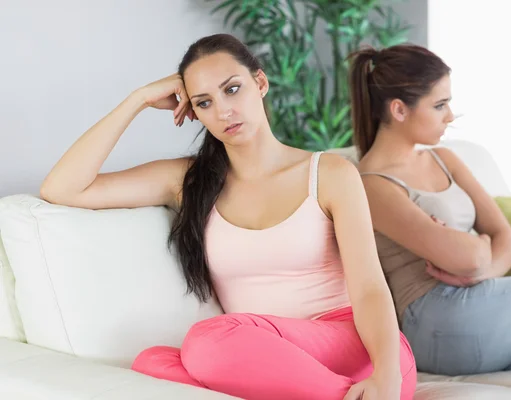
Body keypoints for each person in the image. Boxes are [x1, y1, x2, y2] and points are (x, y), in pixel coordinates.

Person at [40, 34, 417, 400]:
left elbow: (369, 289)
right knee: (152, 362)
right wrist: (137, 100)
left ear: (260, 82)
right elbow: (64, 188)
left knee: (207, 342)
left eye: (232, 89)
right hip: (263, 358)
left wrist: (387, 375)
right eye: (203, 103)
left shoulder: (331, 173)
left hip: (357, 348)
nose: (222, 111)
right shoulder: (188, 181)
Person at [348, 43, 511, 388]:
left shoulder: (445, 159)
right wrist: (477, 251)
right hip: (437, 322)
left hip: (481, 302)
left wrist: (481, 268)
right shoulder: (372, 184)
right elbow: (467, 257)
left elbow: (506, 242)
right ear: (399, 110)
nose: (450, 115)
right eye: (439, 105)